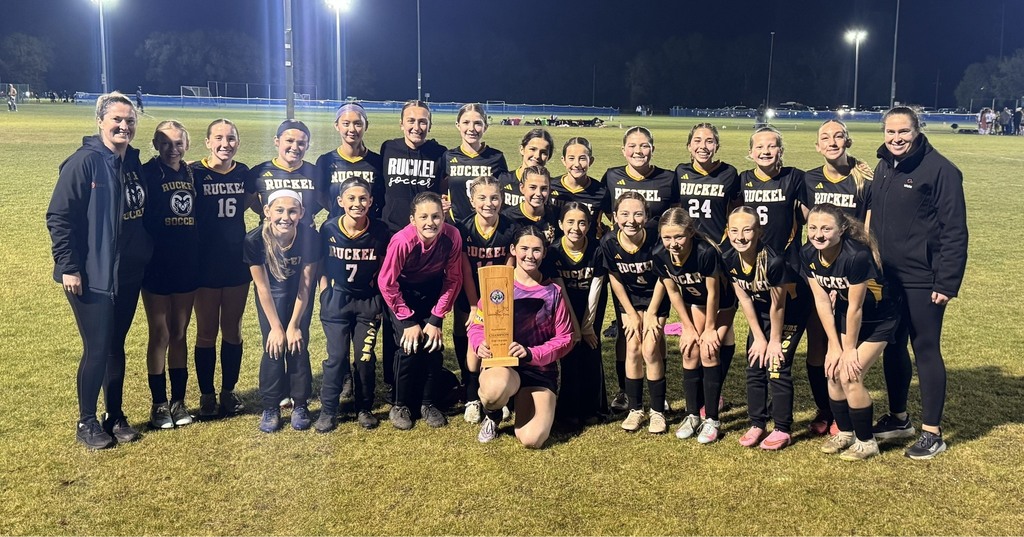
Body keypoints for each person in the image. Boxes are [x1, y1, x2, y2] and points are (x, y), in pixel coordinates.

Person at [47, 91, 152, 449]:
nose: (124, 125)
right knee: (97, 347)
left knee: (116, 346)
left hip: (129, 272)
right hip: (92, 275)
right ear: (100, 121)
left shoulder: (132, 162)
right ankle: (87, 422)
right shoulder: (84, 163)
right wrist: (68, 267)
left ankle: (115, 415)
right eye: (117, 120)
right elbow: (59, 218)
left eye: (130, 120)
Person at [870, 106, 968, 460]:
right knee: (892, 347)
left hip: (923, 280)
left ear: (917, 131)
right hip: (887, 279)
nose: (896, 139)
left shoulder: (941, 170)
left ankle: (932, 433)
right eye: (891, 132)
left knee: (924, 348)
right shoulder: (884, 165)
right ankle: (899, 418)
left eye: (904, 132)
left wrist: (946, 281)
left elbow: (955, 231)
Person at [741, 127, 834, 433]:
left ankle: (826, 411)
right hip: (758, 280)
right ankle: (761, 416)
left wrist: (856, 164)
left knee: (804, 350)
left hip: (793, 277)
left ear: (781, 150)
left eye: (772, 146)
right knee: (758, 348)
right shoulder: (742, 181)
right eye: (760, 147)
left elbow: (817, 207)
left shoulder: (796, 178)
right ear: (750, 152)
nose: (766, 151)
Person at [802, 204, 900, 460]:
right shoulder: (808, 253)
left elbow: (857, 307)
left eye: (826, 228)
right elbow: (822, 302)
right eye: (813, 228)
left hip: (879, 318)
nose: (818, 234)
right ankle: (845, 433)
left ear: (842, 229)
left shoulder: (856, 255)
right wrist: (833, 346)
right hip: (848, 316)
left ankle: (867, 441)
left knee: (849, 374)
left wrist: (848, 351)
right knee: (833, 371)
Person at [800, 119, 875, 435]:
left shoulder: (864, 179)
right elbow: (809, 224)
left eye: (839, 136)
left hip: (853, 275)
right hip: (820, 274)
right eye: (825, 137)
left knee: (849, 345)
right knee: (819, 344)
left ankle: (845, 410)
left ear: (848, 141)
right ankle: (825, 409)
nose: (832, 141)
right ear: (817, 146)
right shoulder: (808, 179)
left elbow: (868, 230)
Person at [470, 227, 574, 447]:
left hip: (539, 369)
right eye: (524, 248)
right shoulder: (497, 285)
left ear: (544, 253)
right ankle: (493, 414)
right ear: (513, 250)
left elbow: (565, 338)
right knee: (492, 391)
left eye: (536, 250)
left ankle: (519, 401)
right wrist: (479, 344)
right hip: (504, 366)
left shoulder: (553, 292)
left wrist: (531, 353)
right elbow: (478, 325)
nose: (530, 255)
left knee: (532, 439)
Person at [723, 207, 810, 450]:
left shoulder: (774, 261)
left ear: (759, 232)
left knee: (776, 364)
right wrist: (759, 338)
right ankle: (757, 423)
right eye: (734, 230)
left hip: (791, 311)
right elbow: (745, 299)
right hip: (761, 312)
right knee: (754, 363)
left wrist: (773, 341)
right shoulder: (729, 258)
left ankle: (782, 428)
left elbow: (778, 306)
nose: (740, 237)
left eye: (747, 230)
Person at [378, 100, 448, 400]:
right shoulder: (386, 149)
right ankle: (395, 379)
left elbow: (444, 189)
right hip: (393, 239)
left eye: (423, 121)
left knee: (423, 306)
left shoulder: (438, 153)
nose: (416, 126)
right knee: (393, 312)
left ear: (430, 125)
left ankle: (421, 376)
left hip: (425, 240)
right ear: (401, 122)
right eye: (411, 120)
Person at [377, 192, 463, 430]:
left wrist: (436, 319)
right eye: (423, 216)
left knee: (433, 346)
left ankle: (428, 403)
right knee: (409, 346)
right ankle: (400, 404)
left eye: (436, 216)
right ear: (412, 219)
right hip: (401, 294)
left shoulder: (452, 236)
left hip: (431, 292)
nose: (430, 222)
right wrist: (407, 321)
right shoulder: (402, 241)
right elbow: (387, 282)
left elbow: (454, 279)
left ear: (444, 216)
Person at [314, 178, 390, 432]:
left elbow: (383, 267)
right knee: (336, 358)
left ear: (370, 201)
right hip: (337, 300)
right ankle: (328, 410)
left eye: (362, 199)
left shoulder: (379, 230)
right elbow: (321, 264)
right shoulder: (329, 228)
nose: (357, 203)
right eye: (351, 198)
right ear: (340, 202)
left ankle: (364, 407)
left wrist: (377, 298)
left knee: (365, 357)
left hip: (367, 303)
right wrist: (325, 292)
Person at [675, 123, 741, 411]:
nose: (703, 145)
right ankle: (704, 393)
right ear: (689, 145)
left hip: (721, 259)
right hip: (691, 259)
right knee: (701, 328)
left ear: (717, 145)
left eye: (710, 141)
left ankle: (715, 392)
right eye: (698, 140)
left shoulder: (730, 174)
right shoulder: (679, 174)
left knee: (723, 330)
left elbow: (735, 214)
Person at [652, 208, 733, 443]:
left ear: (690, 232)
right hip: (693, 304)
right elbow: (674, 292)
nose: (673, 243)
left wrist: (709, 329)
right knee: (689, 351)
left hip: (721, 305)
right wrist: (687, 327)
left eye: (679, 237)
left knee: (709, 350)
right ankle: (692, 415)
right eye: (667, 237)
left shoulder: (705, 252)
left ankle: (712, 419)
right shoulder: (659, 254)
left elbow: (713, 294)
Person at [191, 119, 253, 419]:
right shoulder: (194, 172)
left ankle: (228, 392)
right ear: (207, 142)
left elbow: (260, 205)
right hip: (203, 263)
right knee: (206, 333)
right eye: (218, 137)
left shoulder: (244, 173)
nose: (225, 143)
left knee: (232, 330)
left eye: (231, 138)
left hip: (235, 263)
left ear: (238, 143)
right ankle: (206, 395)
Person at [244, 190, 321, 433]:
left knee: (298, 345)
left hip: (299, 297)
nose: (285, 216)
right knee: (274, 346)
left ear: (301, 213)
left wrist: (294, 325)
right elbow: (262, 287)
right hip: (272, 297)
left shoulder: (310, 238)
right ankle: (271, 406)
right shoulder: (254, 240)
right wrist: (277, 328)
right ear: (267, 212)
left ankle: (300, 403)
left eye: (292, 211)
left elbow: (306, 285)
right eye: (279, 210)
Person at [140, 120, 199, 429]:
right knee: (160, 333)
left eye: (177, 143)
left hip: (187, 264)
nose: (172, 148)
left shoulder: (191, 173)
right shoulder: (148, 173)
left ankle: (178, 401)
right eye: (165, 142)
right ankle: (158, 404)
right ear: (156, 143)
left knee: (179, 332)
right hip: (157, 265)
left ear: (186, 145)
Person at [602, 192, 669, 433]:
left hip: (656, 296)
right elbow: (615, 279)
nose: (631, 220)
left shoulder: (656, 238)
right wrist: (630, 313)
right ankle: (636, 408)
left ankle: (658, 411)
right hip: (628, 300)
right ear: (615, 217)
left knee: (650, 348)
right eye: (625, 214)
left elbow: (664, 276)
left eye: (638, 214)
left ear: (647, 216)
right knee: (632, 347)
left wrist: (651, 313)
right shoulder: (609, 242)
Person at [454, 176, 518, 423]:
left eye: (494, 197)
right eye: (482, 197)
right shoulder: (463, 228)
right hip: (472, 294)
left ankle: (500, 396)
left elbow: (509, 269)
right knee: (472, 339)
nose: (488, 203)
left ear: (502, 200)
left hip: (500, 295)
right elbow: (465, 270)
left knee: (500, 340)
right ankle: (471, 395)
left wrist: (499, 305)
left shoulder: (510, 228)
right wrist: (473, 306)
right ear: (472, 201)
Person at [548, 202, 609, 425]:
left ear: (589, 225)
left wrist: (587, 327)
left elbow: (596, 289)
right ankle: (568, 410)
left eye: (582, 222)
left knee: (591, 351)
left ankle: (594, 408)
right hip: (565, 308)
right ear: (560, 224)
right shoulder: (553, 251)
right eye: (570, 222)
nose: (576, 227)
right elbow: (560, 290)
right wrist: (574, 328)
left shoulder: (597, 249)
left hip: (591, 310)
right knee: (570, 354)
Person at [601, 126, 680, 230]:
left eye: (644, 146)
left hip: (656, 244)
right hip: (621, 243)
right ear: (623, 150)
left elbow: (676, 213)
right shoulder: (611, 176)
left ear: (653, 149)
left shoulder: (669, 178)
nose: (638, 151)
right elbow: (605, 208)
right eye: (632, 146)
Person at [440, 103, 508, 223]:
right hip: (456, 225)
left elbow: (503, 193)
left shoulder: (496, 158)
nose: (471, 128)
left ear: (485, 127)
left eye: (477, 123)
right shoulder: (448, 156)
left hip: (487, 225)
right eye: (466, 122)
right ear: (458, 125)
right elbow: (440, 188)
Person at [316, 103, 384, 220]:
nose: (352, 129)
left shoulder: (377, 162)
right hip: (336, 228)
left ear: (366, 126)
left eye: (358, 124)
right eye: (346, 124)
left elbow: (383, 197)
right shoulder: (326, 161)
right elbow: (320, 195)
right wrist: (336, 210)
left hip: (370, 230)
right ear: (337, 126)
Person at [250, 120, 322, 229]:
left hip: (306, 240)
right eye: (289, 141)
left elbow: (323, 202)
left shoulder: (316, 173)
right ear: (277, 141)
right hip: (270, 238)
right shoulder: (260, 172)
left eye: (301, 143)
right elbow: (252, 203)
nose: (295, 147)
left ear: (307, 146)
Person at [549, 137, 607, 239]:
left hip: (588, 251)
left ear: (591, 161)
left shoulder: (601, 191)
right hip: (555, 251)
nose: (577, 164)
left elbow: (616, 221)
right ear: (564, 160)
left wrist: (605, 231)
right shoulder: (550, 187)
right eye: (571, 158)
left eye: (582, 158)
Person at [498, 128, 554, 209]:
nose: (537, 156)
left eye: (544, 152)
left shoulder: (552, 186)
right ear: (522, 149)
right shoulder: (503, 180)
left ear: (549, 156)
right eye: (532, 149)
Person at [501, 165, 559, 244]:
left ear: (550, 190)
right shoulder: (507, 218)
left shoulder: (557, 215)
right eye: (532, 187)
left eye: (544, 189)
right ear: (522, 188)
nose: (538, 193)